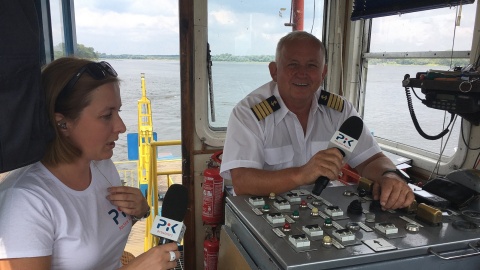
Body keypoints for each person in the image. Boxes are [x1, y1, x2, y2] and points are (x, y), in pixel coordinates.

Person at [0, 57, 180, 270]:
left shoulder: (101, 167)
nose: (121, 127)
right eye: (106, 115)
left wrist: (141, 211)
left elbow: (97, 234)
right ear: (62, 124)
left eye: (118, 112)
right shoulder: (25, 202)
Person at [220, 31, 414, 210]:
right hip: (263, 212)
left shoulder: (340, 111)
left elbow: (371, 159)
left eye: (312, 65)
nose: (302, 73)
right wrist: (302, 174)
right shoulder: (250, 113)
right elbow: (242, 181)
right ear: (274, 71)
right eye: (292, 64)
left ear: (323, 73)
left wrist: (390, 176)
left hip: (321, 209)